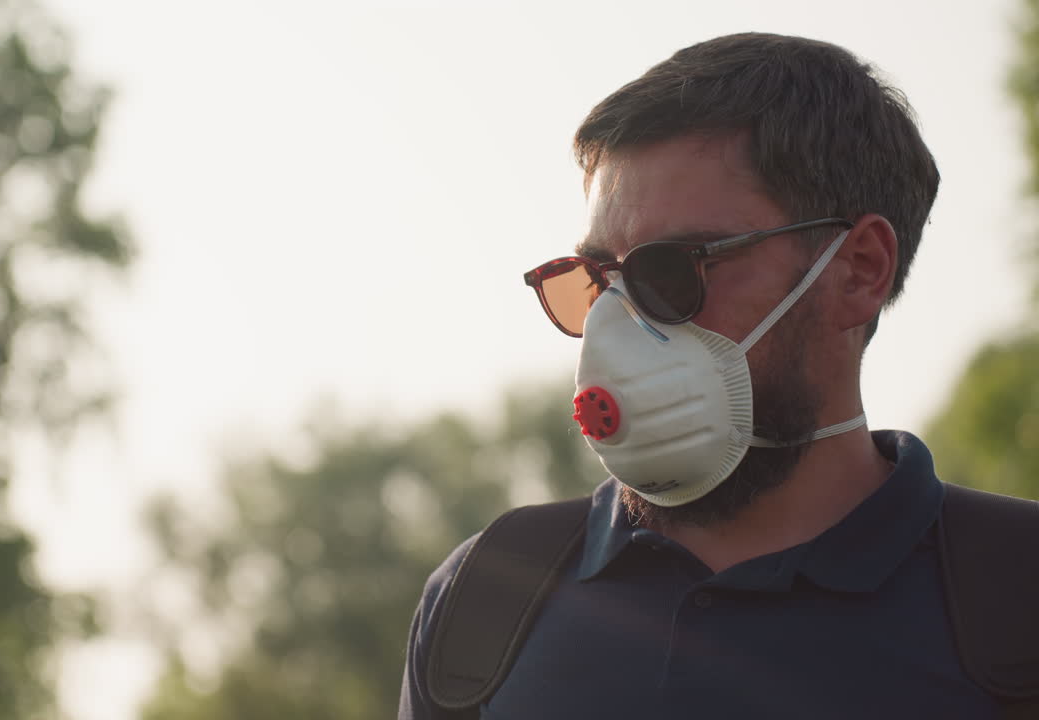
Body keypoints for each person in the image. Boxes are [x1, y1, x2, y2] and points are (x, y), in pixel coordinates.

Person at [398, 33, 1008, 718]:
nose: (619, 324)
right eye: (598, 278)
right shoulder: (485, 599)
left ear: (860, 269)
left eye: (672, 268)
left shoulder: (1015, 595)